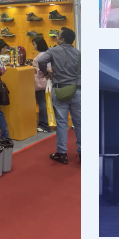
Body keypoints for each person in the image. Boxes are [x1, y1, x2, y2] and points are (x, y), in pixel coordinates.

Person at [37, 27, 81, 164]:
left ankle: (62, 153)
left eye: (58, 35)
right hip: (77, 91)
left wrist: (46, 73)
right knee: (79, 123)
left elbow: (41, 61)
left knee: (61, 123)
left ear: (62, 39)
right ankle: (82, 152)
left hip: (60, 90)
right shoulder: (79, 53)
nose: (56, 37)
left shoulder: (53, 51)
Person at [31, 37, 52, 133]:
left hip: (40, 81)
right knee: (45, 103)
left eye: (34, 44)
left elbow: (43, 69)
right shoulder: (46, 54)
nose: (34, 46)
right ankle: (46, 123)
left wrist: (34, 68)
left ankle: (43, 124)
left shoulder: (41, 55)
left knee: (42, 104)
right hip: (45, 81)